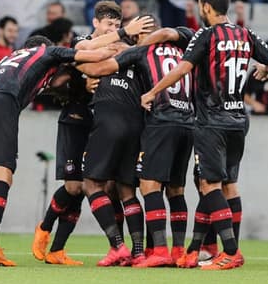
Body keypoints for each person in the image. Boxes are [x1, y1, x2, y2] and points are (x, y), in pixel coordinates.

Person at [141, 0, 268, 270]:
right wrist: (264, 67)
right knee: (229, 185)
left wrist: (152, 92)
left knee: (209, 184)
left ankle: (230, 252)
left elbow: (182, 69)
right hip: (238, 120)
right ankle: (204, 248)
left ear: (206, 7)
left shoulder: (206, 35)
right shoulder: (246, 34)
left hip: (212, 121)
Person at [0, 35, 120, 267]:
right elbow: (94, 55)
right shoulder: (47, 52)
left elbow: (50, 86)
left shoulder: (14, 57)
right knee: (3, 174)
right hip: (2, 102)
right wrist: (123, 36)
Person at [31, 2, 152, 266]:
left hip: (105, 120)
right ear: (96, 23)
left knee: (109, 188)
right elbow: (75, 60)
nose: (113, 28)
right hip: (78, 119)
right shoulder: (83, 40)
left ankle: (70, 250)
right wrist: (84, 80)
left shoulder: (123, 49)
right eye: (108, 24)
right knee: (75, 186)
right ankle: (44, 228)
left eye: (117, 25)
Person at [77, 24, 195, 267]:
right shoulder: (185, 50)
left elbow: (99, 67)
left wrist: (77, 65)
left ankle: (140, 249)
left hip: (160, 122)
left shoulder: (141, 51)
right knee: (173, 190)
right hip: (188, 123)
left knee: (146, 186)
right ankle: (171, 251)